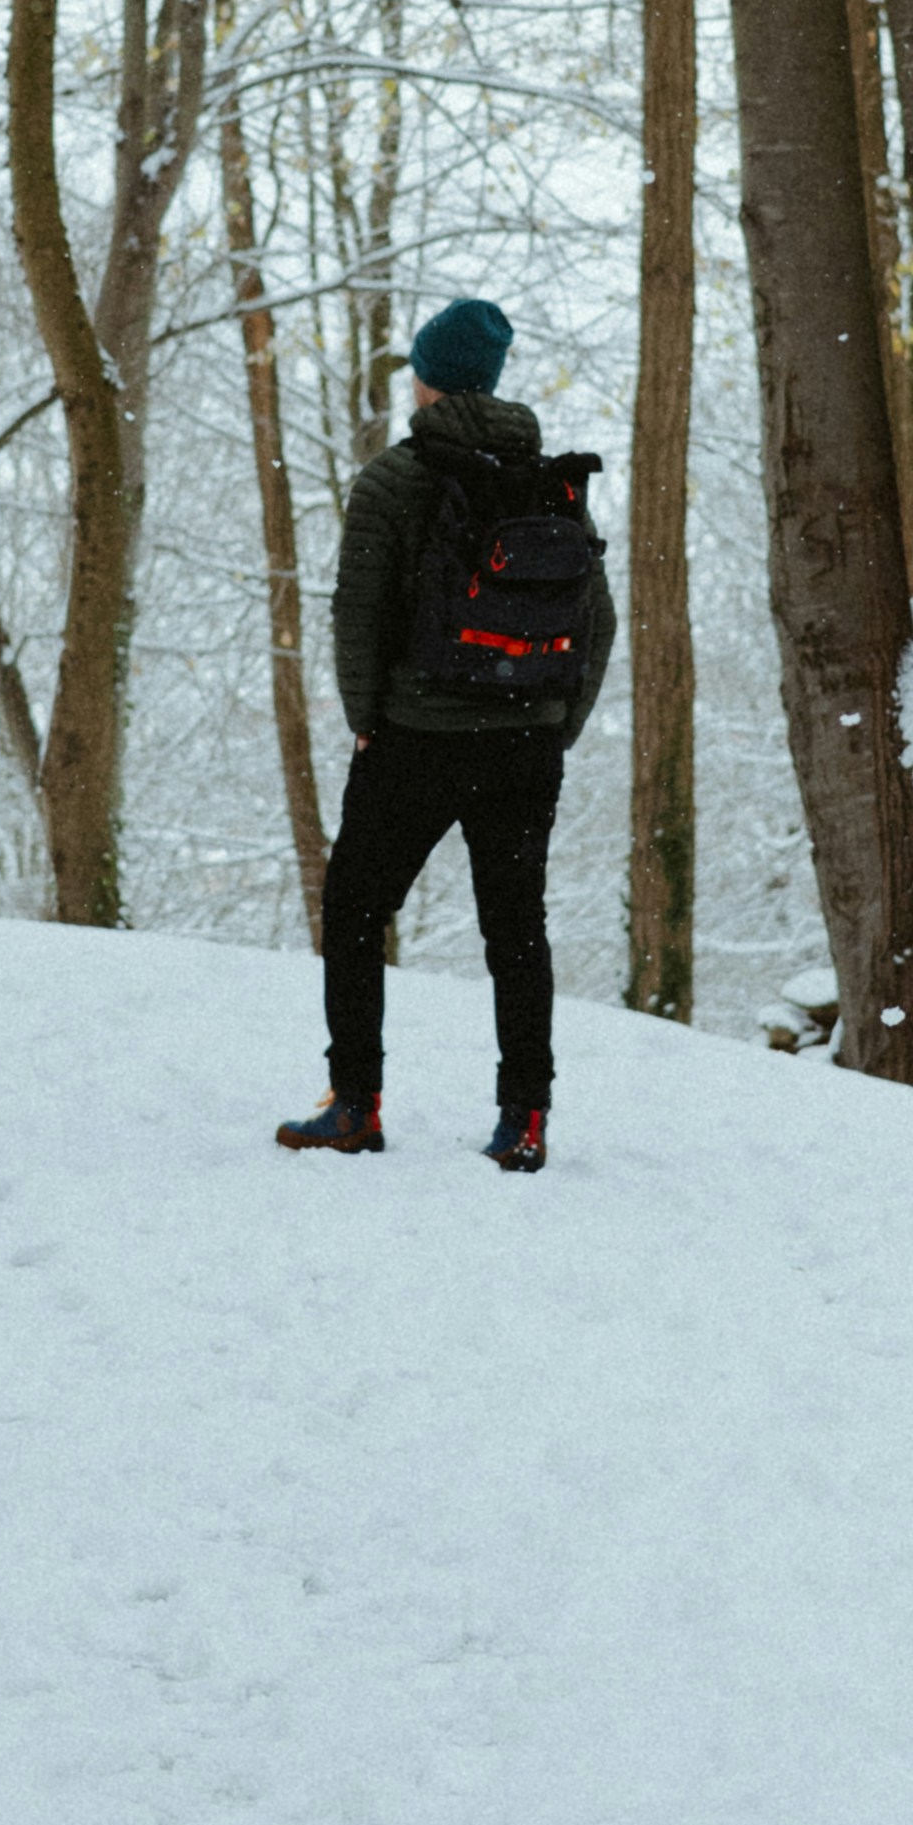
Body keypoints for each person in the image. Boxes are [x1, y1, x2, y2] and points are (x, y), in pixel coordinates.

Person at [275, 295, 612, 1175]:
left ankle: (354, 1103)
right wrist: (554, 726)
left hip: (416, 738)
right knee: (517, 931)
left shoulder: (394, 478)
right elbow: (598, 620)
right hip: (525, 745)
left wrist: (366, 724)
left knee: (355, 909)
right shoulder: (550, 478)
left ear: (426, 380)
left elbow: (358, 615)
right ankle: (524, 1119)